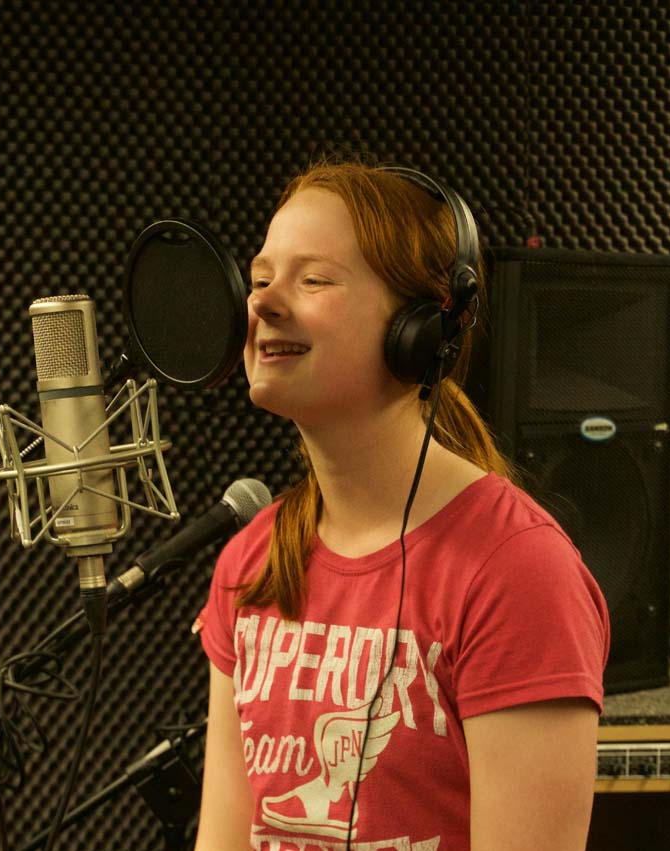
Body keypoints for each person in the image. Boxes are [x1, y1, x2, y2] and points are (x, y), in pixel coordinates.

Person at [192, 158, 611, 851]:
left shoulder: (518, 573)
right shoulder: (252, 562)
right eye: (261, 279)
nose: (263, 303)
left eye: (313, 279)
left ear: (421, 327)